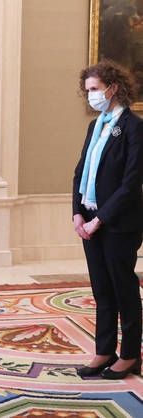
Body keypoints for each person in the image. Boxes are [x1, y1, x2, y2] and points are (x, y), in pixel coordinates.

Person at [73, 60, 143, 379]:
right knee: (101, 289)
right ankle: (104, 351)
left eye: (95, 89)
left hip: (118, 222)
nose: (91, 95)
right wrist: (77, 212)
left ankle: (129, 355)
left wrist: (99, 219)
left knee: (122, 288)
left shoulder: (133, 127)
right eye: (87, 90)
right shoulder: (95, 126)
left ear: (113, 88)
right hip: (89, 218)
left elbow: (131, 183)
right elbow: (81, 172)